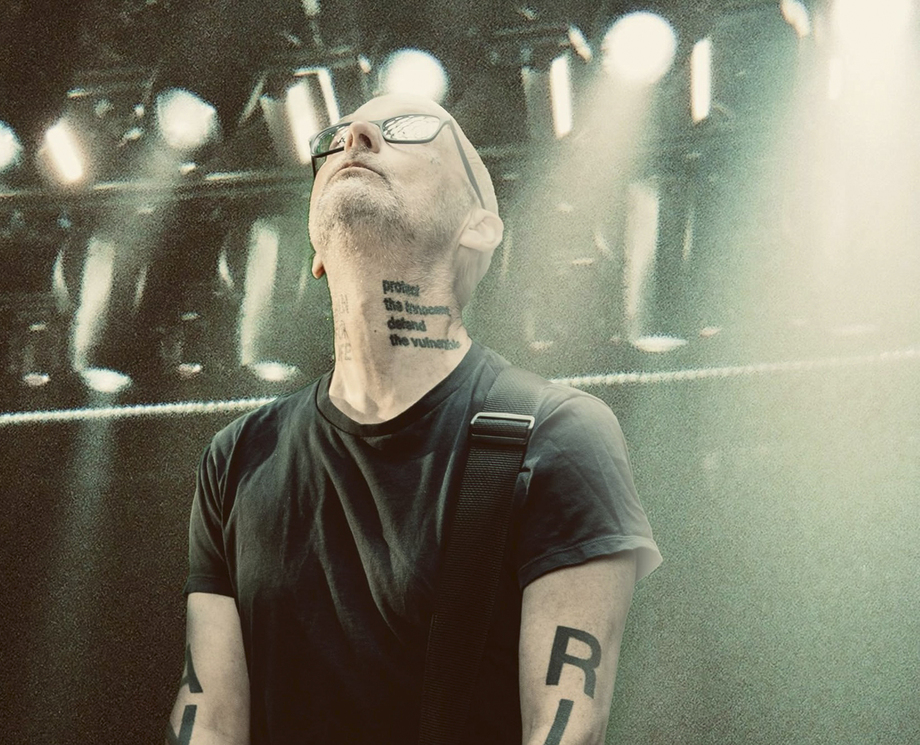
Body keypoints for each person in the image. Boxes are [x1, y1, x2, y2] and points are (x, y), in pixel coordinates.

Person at [166, 92, 661, 745]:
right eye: (335, 138)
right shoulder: (238, 455)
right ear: (317, 249)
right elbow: (208, 719)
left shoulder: (555, 433)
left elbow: (566, 725)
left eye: (408, 128)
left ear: (478, 226)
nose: (356, 137)